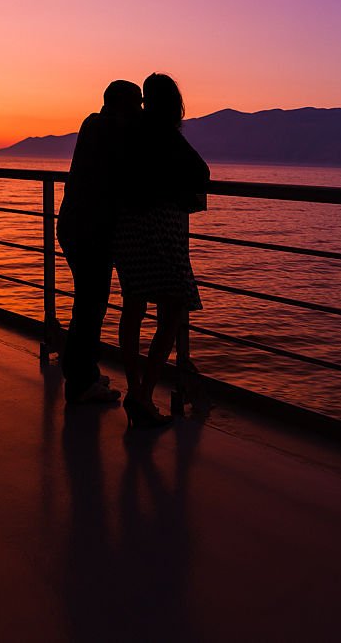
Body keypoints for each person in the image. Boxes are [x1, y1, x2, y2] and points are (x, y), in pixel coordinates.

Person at [115, 73, 209, 428]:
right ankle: (143, 395)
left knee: (133, 308)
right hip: (160, 234)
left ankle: (134, 387)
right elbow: (201, 172)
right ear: (174, 105)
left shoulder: (129, 133)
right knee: (173, 310)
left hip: (126, 233)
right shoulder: (168, 136)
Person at [57, 80, 142, 404]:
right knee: (91, 307)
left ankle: (84, 373)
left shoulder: (93, 124)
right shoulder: (111, 131)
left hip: (76, 227)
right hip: (90, 232)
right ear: (123, 105)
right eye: (137, 103)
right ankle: (80, 383)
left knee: (88, 304)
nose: (140, 109)